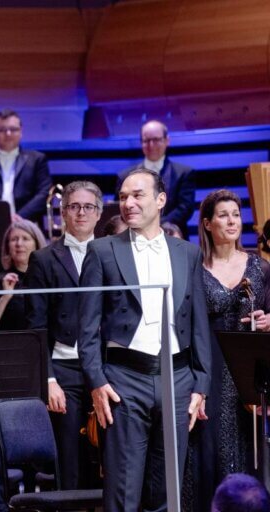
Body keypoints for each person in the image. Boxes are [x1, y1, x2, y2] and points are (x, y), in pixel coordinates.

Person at [78, 167, 210, 512]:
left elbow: (199, 324)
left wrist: (201, 384)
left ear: (161, 200)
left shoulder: (188, 252)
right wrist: (96, 381)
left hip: (178, 379)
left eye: (137, 195)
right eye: (123, 197)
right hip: (123, 379)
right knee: (123, 491)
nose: (128, 203)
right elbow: (87, 326)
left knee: (167, 490)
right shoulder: (102, 250)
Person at [182, 189, 270, 511]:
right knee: (209, 448)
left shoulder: (260, 267)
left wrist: (268, 320)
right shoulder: (194, 267)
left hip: (249, 369)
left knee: (251, 447)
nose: (232, 221)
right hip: (209, 367)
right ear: (207, 223)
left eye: (236, 214)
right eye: (223, 215)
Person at [25, 181, 103, 490]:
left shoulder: (111, 253)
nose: (81, 213)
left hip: (105, 367)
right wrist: (48, 379)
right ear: (63, 213)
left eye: (88, 207)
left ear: (98, 213)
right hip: (64, 369)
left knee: (107, 458)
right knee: (69, 459)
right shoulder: (43, 259)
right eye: (74, 206)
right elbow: (35, 326)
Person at [117, 120, 196, 237]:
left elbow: (185, 208)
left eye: (156, 140)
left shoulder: (184, 173)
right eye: (146, 141)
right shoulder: (125, 176)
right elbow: (119, 211)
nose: (151, 145)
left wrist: (155, 225)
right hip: (135, 237)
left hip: (173, 238)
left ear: (167, 140)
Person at [0, 219, 46, 330]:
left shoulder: (48, 278)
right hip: (10, 340)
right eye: (14, 239)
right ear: (7, 247)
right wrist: (6, 297)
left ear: (37, 244)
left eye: (25, 239)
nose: (19, 244)